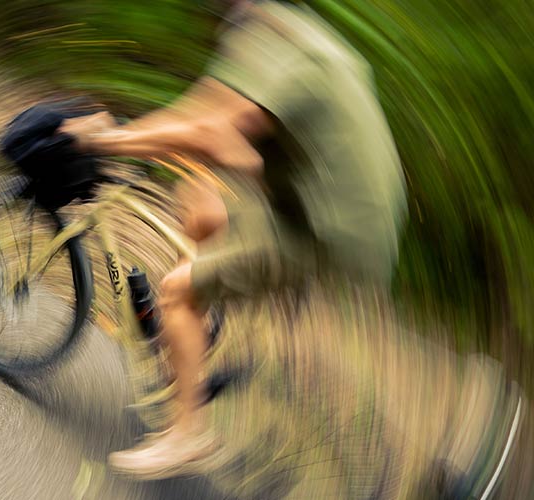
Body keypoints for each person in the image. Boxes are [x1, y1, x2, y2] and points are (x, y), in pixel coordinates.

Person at [59, 0, 407, 480]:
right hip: (313, 201)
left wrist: (105, 142)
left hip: (326, 227)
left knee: (178, 293)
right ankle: (195, 338)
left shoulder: (270, 41)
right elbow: (213, 120)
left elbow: (207, 129)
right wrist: (144, 139)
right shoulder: (289, 32)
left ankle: (188, 435)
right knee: (198, 204)